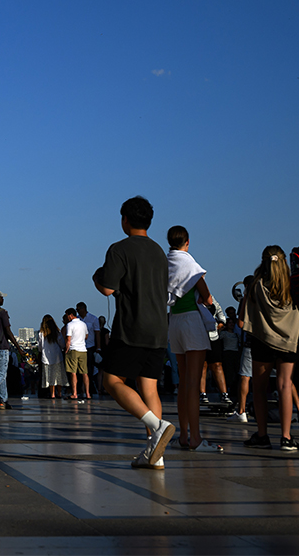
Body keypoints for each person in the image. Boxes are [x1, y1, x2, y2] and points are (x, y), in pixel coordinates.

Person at [93, 195, 176, 470]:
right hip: (158, 327)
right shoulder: (159, 252)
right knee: (148, 385)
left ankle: (157, 425)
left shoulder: (119, 249)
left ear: (125, 219)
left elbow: (107, 287)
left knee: (112, 380)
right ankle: (156, 453)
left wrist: (97, 277)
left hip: (132, 327)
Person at [165, 225, 221, 453]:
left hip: (174, 322)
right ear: (187, 242)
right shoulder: (189, 263)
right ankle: (196, 437)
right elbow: (206, 295)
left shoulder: (166, 262)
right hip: (191, 322)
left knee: (182, 381)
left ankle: (185, 435)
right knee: (193, 383)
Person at [241, 249, 299, 451]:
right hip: (288, 341)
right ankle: (286, 437)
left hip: (263, 340)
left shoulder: (256, 285)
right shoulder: (293, 286)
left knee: (259, 389)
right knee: (285, 385)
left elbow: (245, 313)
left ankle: (262, 435)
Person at [63, 308, 89, 402]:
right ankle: (88, 393)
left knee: (73, 372)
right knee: (84, 372)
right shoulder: (83, 324)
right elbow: (86, 336)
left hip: (73, 349)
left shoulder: (70, 325)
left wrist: (66, 349)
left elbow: (68, 339)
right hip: (83, 349)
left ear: (70, 315)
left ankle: (74, 393)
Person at [77, 302, 102, 396]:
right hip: (80, 346)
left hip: (90, 346)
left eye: (78, 309)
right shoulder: (78, 319)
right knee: (80, 369)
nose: (78, 312)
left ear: (83, 309)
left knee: (89, 369)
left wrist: (98, 347)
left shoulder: (93, 319)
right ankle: (82, 389)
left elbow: (97, 333)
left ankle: (90, 388)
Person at [37, 315, 63, 399]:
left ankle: (52, 394)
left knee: (50, 377)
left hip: (46, 358)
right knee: (58, 376)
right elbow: (62, 344)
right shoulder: (57, 333)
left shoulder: (41, 333)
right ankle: (59, 393)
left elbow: (40, 347)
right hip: (57, 357)